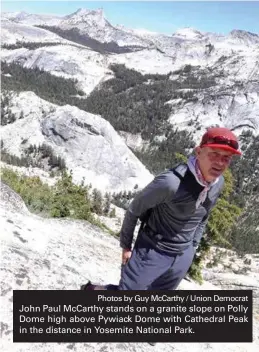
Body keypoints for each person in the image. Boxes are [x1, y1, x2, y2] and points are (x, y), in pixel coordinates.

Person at [81, 127, 242, 291]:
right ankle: (94, 290)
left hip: (182, 256)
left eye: (227, 158)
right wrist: (126, 246)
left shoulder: (217, 183)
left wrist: (193, 246)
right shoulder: (171, 183)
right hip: (153, 249)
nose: (220, 163)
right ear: (199, 151)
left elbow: (204, 214)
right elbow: (134, 209)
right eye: (214, 154)